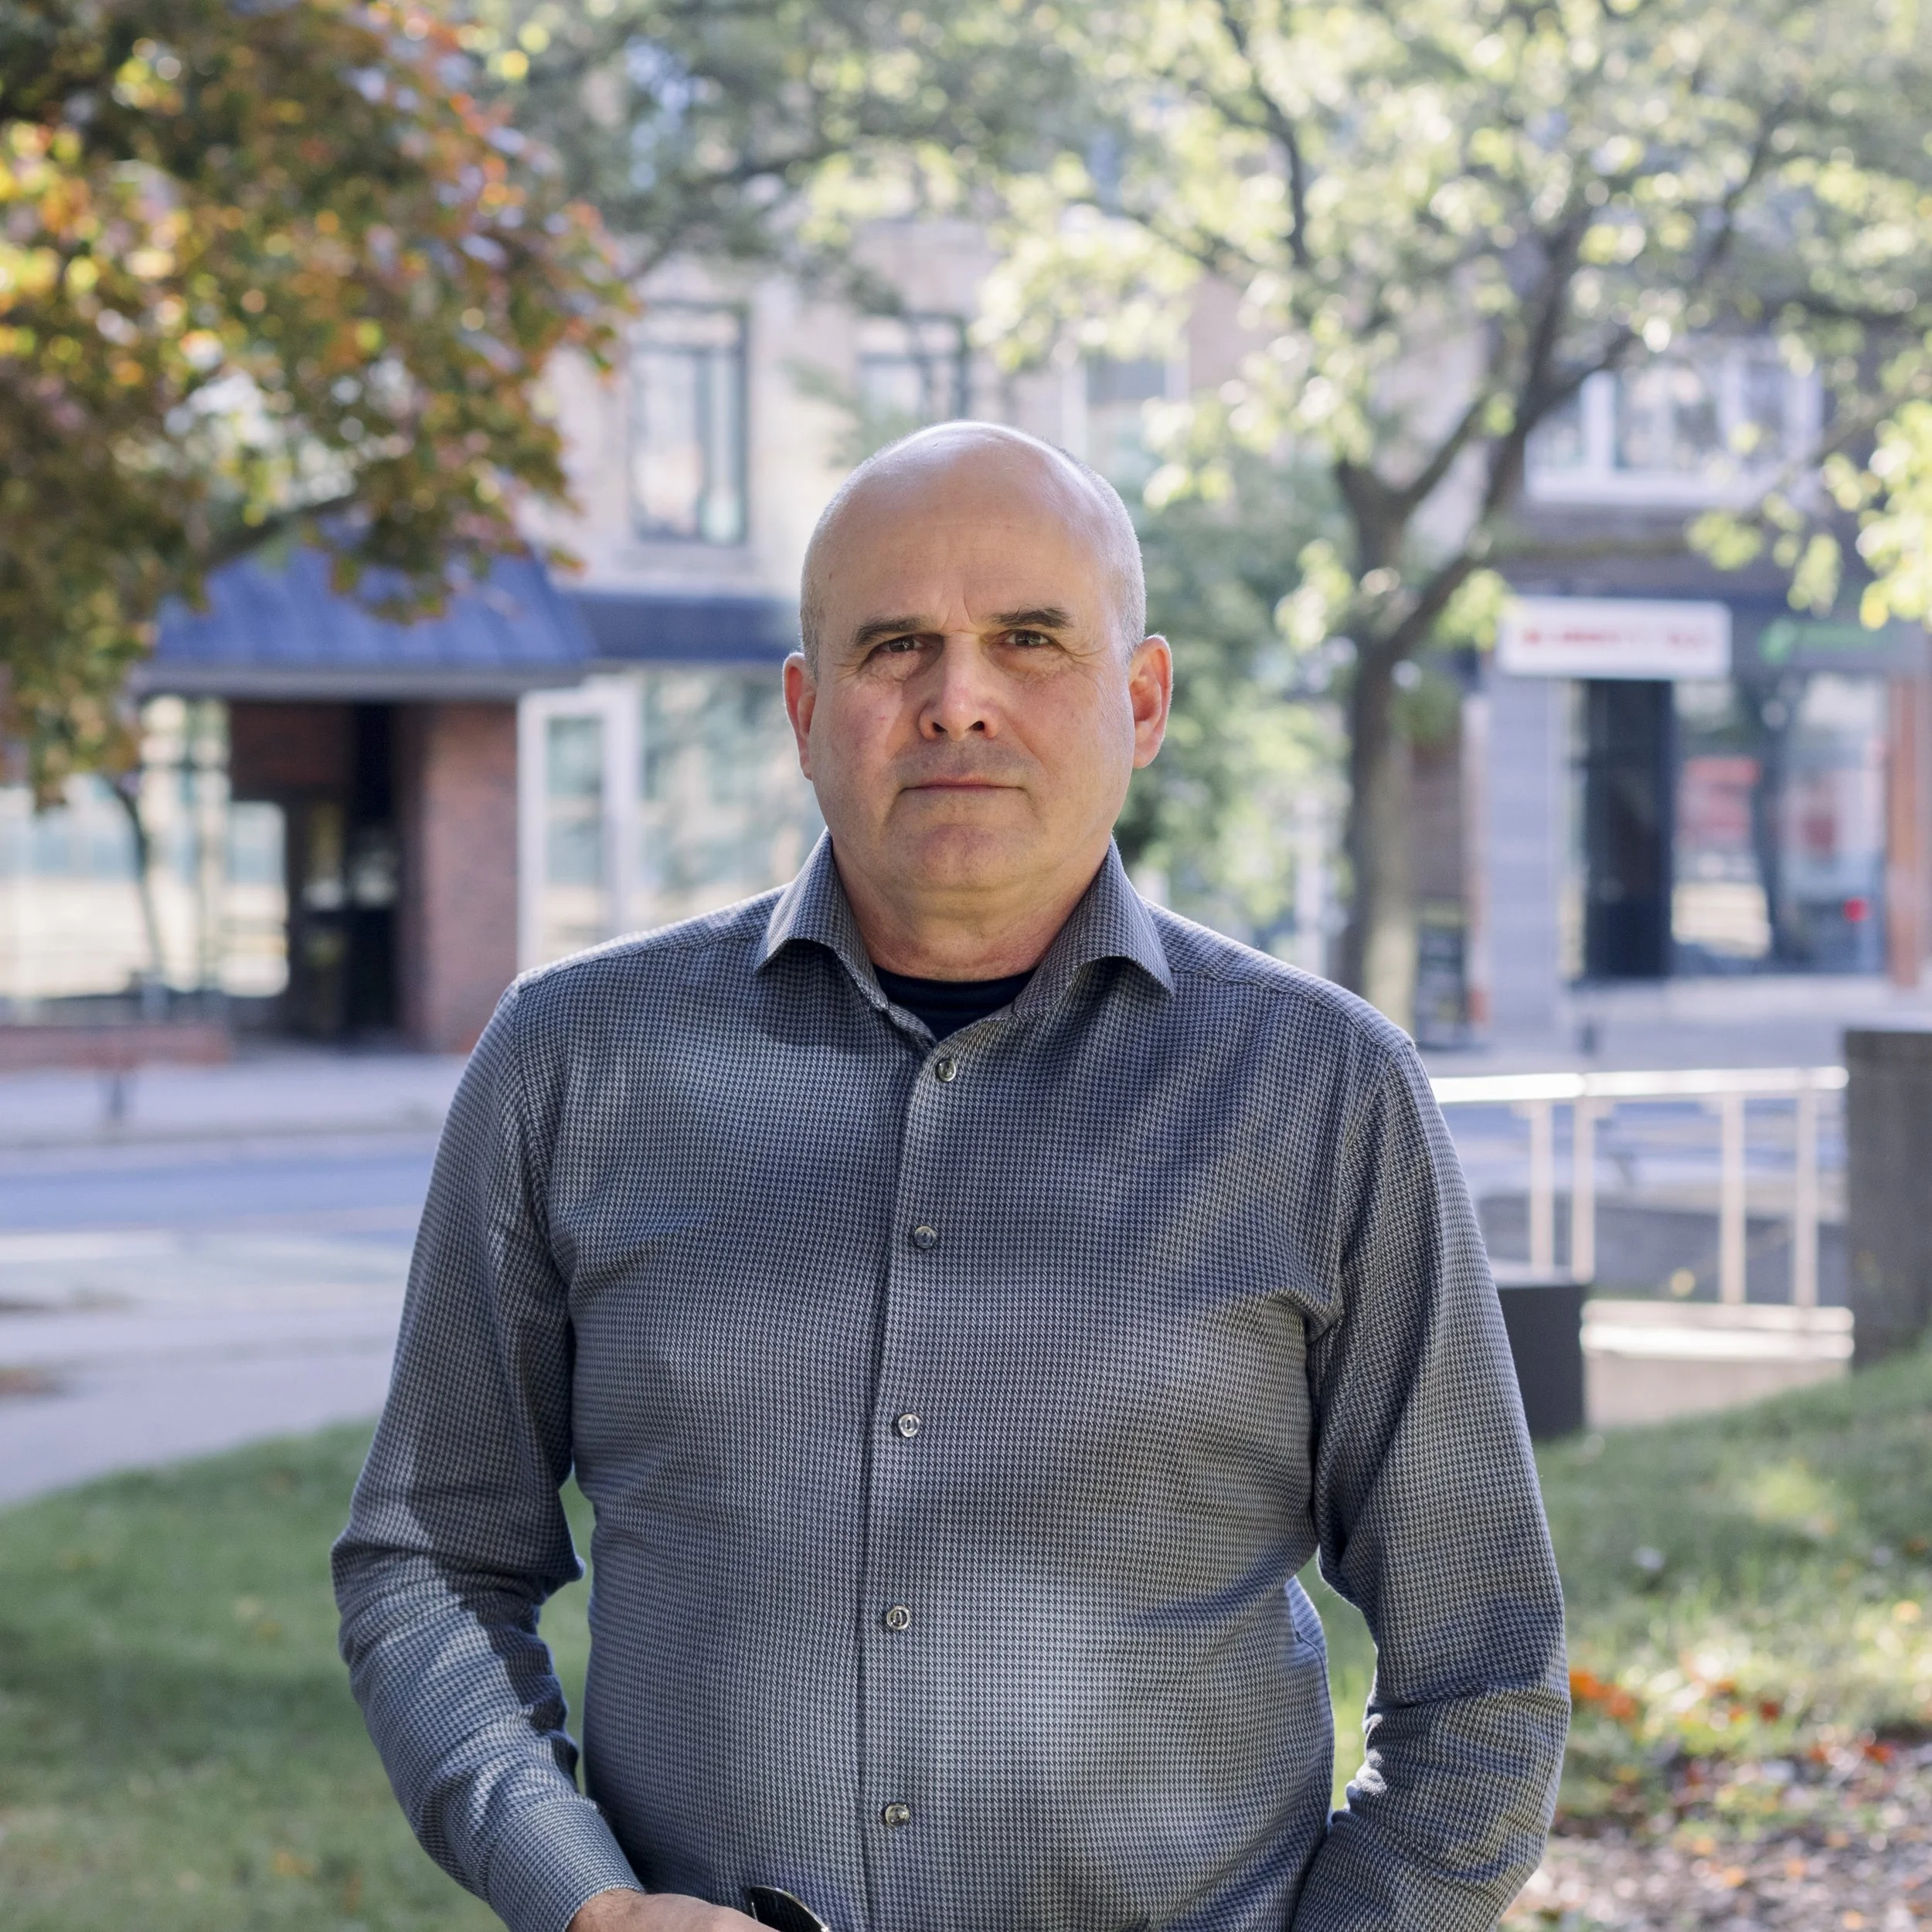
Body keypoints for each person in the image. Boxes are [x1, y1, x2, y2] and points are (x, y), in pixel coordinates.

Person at [334, 422, 1567, 1932]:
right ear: (802, 710)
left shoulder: (1325, 1093)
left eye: (1027, 639)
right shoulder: (573, 1062)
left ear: (1141, 697)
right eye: (893, 645)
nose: (955, 700)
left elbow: (1482, 1668)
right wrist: (583, 1898)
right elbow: (430, 1564)